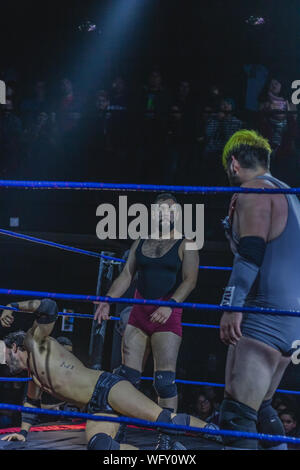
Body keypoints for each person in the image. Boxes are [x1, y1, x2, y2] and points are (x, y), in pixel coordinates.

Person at [0, 299, 215, 450]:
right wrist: (23, 432)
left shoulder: (34, 341)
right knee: (100, 446)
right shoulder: (34, 376)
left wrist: (12, 307)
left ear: (16, 347)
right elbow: (31, 403)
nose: (4, 361)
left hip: (107, 387)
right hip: (96, 407)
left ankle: (214, 432)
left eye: (5, 353)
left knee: (165, 420)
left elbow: (49, 306)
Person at [219, 129, 300, 450]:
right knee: (262, 407)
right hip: (292, 319)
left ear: (234, 164)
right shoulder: (291, 195)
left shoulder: (253, 191)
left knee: (236, 417)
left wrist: (232, 305)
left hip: (264, 317)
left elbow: (252, 252)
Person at [94, 193, 199, 416]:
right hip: (139, 313)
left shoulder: (187, 242)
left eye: (170, 210)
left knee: (164, 381)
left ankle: (167, 438)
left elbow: (190, 280)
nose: (165, 214)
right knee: (128, 377)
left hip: (167, 313)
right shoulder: (141, 241)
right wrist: (107, 300)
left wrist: (170, 304)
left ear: (177, 214)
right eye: (161, 210)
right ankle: (118, 431)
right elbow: (126, 275)